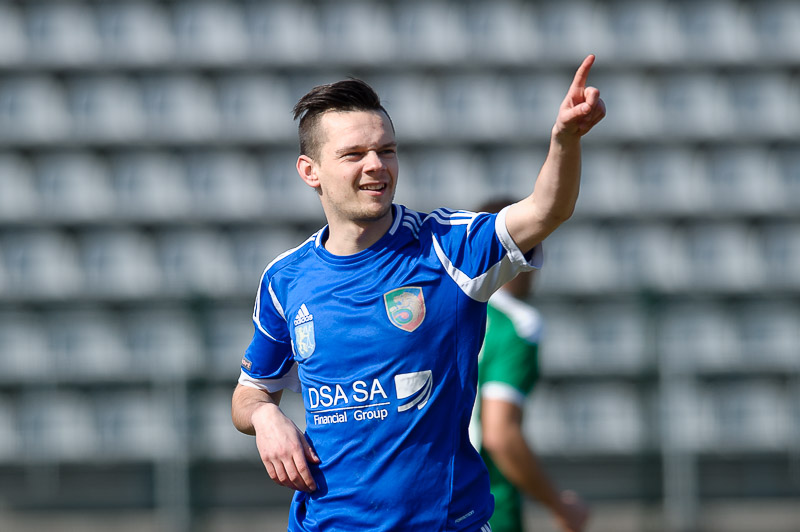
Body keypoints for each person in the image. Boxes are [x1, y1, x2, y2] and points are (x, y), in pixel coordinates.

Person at [231, 55, 605, 531]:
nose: (376, 166)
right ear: (311, 171)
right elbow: (249, 392)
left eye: (386, 150)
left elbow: (546, 211)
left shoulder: (447, 247)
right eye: (354, 154)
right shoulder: (285, 278)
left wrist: (565, 140)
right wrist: (265, 417)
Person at [470, 198, 589, 532]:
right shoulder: (516, 324)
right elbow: (499, 434)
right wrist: (558, 505)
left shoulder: (440, 307)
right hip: (485, 501)